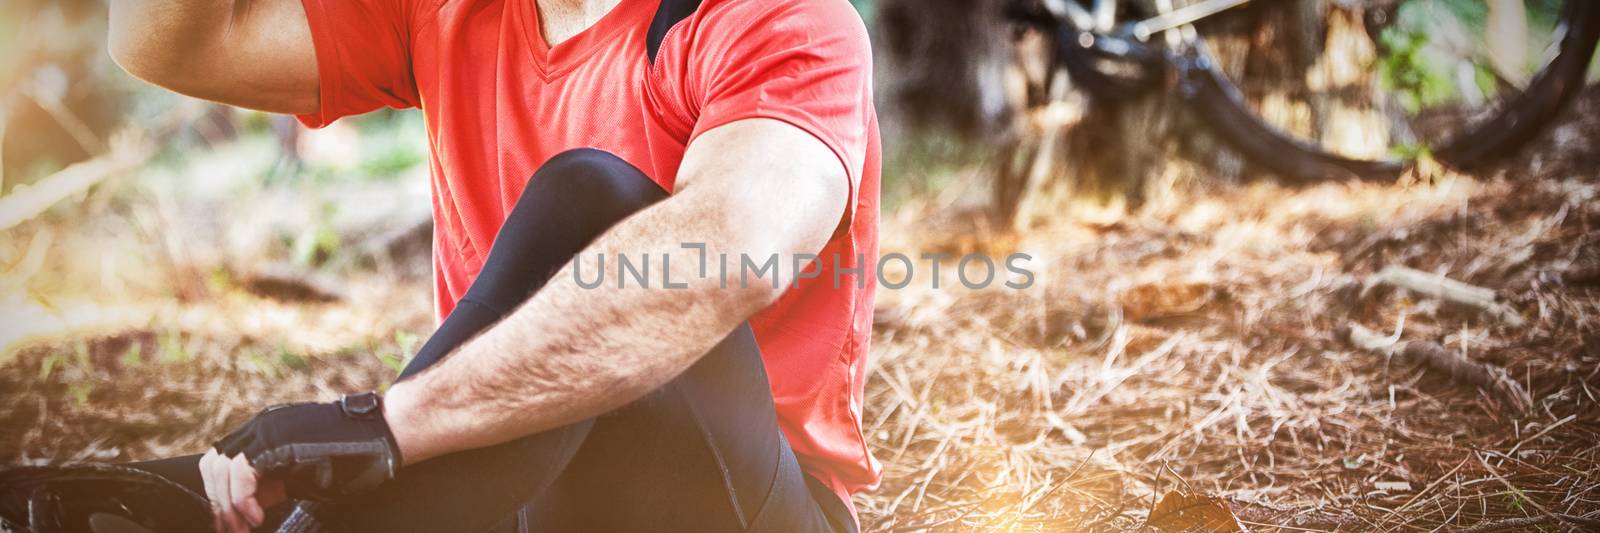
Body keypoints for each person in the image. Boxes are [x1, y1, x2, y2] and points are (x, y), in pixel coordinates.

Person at [102, 0, 881, 530]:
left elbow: (725, 256)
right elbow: (166, 42)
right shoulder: (449, 11)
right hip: (510, 500)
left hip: (739, 503)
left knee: (593, 203)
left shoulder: (781, 18)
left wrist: (382, 428)